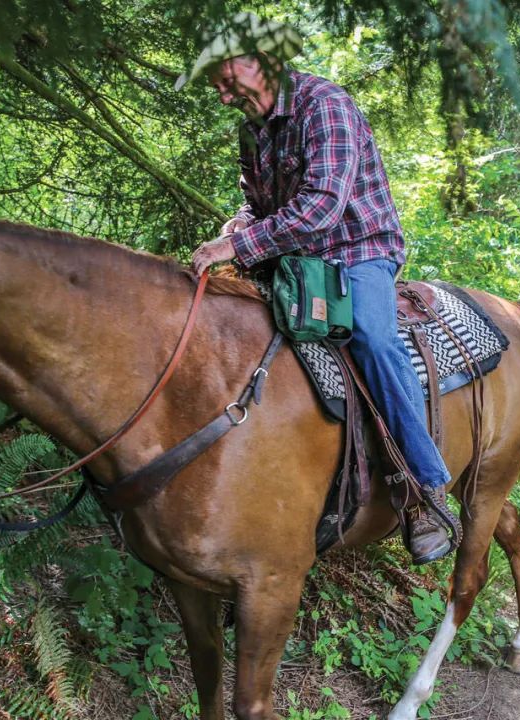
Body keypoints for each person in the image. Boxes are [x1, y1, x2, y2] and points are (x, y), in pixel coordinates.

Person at [181, 13, 454, 564]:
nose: (218, 89)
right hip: (294, 256)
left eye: (222, 72)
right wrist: (235, 229)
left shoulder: (324, 104)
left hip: (357, 249)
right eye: (211, 78)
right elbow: (259, 207)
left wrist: (241, 246)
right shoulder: (252, 128)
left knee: (374, 341)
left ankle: (424, 488)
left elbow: (323, 208)